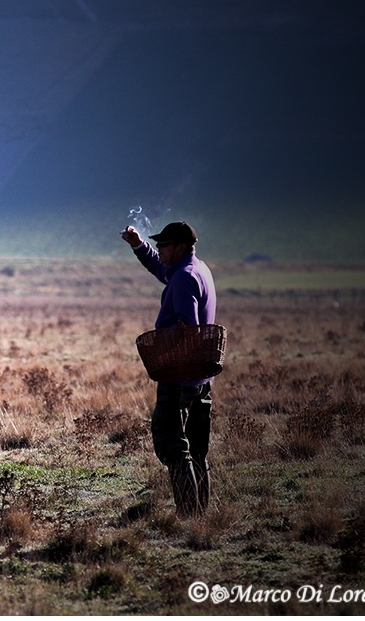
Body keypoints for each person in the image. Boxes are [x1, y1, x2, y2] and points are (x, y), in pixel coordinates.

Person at [121, 221, 217, 516]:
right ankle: (201, 513)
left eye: (163, 245)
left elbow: (188, 328)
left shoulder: (185, 277)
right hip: (200, 376)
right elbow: (161, 269)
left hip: (180, 375)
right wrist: (138, 245)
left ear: (180, 247)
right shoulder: (194, 269)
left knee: (172, 445)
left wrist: (169, 355)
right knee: (197, 449)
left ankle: (188, 515)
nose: (160, 249)